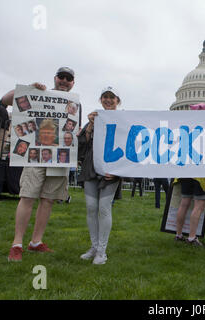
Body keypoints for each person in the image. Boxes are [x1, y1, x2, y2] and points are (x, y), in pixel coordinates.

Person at [5, 66, 78, 262]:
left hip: (59, 158)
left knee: (48, 200)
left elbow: (73, 132)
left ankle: (36, 242)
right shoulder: (38, 93)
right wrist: (27, 89)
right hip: (34, 155)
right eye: (61, 77)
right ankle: (17, 244)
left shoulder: (74, 103)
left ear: (73, 83)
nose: (64, 80)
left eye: (68, 78)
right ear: (55, 78)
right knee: (27, 196)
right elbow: (5, 101)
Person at [77, 86, 121, 265]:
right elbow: (82, 147)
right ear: (100, 99)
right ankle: (94, 247)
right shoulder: (94, 119)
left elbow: (129, 148)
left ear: (117, 100)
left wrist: (118, 169)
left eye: (112, 97)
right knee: (91, 207)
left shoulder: (123, 120)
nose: (108, 100)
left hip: (111, 171)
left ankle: (102, 251)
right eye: (105, 97)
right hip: (91, 169)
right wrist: (90, 127)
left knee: (104, 207)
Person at [174, 103, 205, 246]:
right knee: (198, 205)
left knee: (184, 203)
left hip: (186, 171)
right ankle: (191, 237)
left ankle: (178, 234)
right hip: (201, 174)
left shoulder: (187, 128)